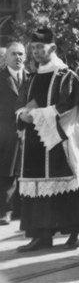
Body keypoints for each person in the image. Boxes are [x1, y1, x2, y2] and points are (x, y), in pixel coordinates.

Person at [16, 28, 79, 252]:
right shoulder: (33, 76)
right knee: (38, 188)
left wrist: (38, 114)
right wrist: (23, 113)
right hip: (36, 140)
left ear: (51, 48)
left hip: (61, 138)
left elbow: (78, 102)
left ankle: (75, 233)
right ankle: (41, 236)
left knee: (68, 185)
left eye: (39, 48)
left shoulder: (65, 75)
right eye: (32, 48)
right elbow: (27, 101)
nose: (35, 52)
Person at [0, 42, 27, 225]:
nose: (18, 57)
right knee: (7, 171)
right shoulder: (1, 77)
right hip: (6, 131)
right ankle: (6, 210)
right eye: (14, 54)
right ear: (6, 57)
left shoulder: (32, 77)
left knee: (26, 170)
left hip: (29, 130)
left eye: (20, 54)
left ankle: (22, 210)